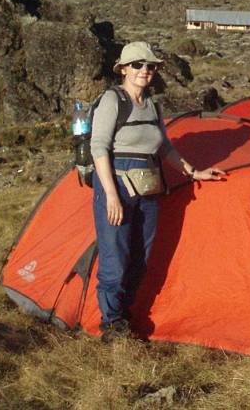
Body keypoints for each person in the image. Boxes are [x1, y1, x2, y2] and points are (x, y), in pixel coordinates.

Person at [90, 41, 225, 342]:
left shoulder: (152, 104)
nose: (144, 71)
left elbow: (163, 146)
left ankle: (124, 316)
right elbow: (98, 147)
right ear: (123, 69)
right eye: (137, 65)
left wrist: (193, 171)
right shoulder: (113, 100)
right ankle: (111, 326)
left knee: (141, 257)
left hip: (149, 187)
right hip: (118, 185)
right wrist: (111, 195)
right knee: (116, 258)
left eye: (149, 66)